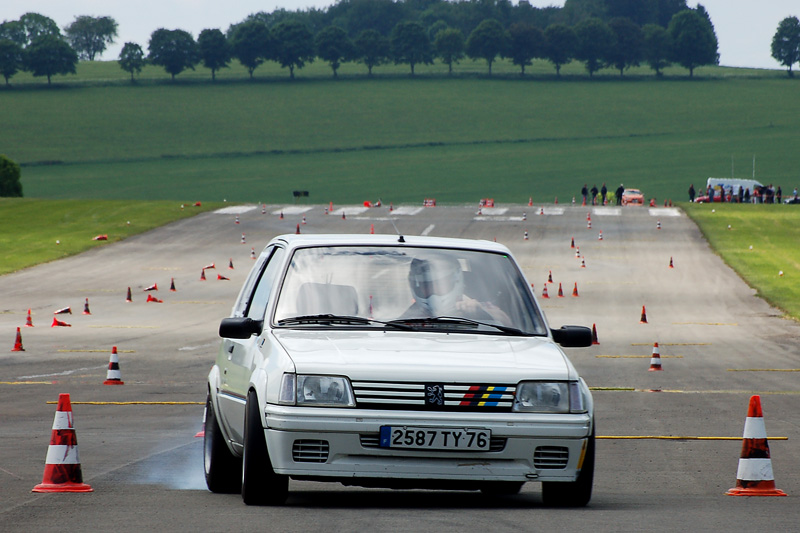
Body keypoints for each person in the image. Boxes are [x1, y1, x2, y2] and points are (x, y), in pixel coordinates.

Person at [402, 255, 509, 324]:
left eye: (439, 284)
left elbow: (506, 322)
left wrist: (479, 312)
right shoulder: (410, 315)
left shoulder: (474, 306)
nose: (432, 291)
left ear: (456, 280)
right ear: (414, 286)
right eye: (425, 286)